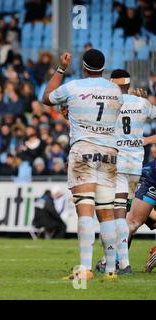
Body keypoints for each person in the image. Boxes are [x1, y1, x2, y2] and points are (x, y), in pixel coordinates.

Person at [42, 49, 124, 280]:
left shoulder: (74, 87)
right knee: (106, 212)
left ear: (84, 67)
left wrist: (61, 69)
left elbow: (46, 97)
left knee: (85, 209)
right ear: (103, 67)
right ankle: (110, 271)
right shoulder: (115, 90)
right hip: (109, 152)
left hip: (84, 150)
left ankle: (86, 269)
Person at [95, 69, 156, 275]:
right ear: (129, 85)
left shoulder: (109, 103)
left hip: (117, 167)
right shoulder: (142, 103)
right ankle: (112, 260)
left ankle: (120, 263)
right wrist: (145, 101)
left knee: (119, 216)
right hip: (137, 168)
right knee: (130, 217)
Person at [126, 160, 156, 273]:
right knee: (130, 223)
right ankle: (116, 260)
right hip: (137, 200)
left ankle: (115, 260)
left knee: (131, 224)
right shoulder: (143, 170)